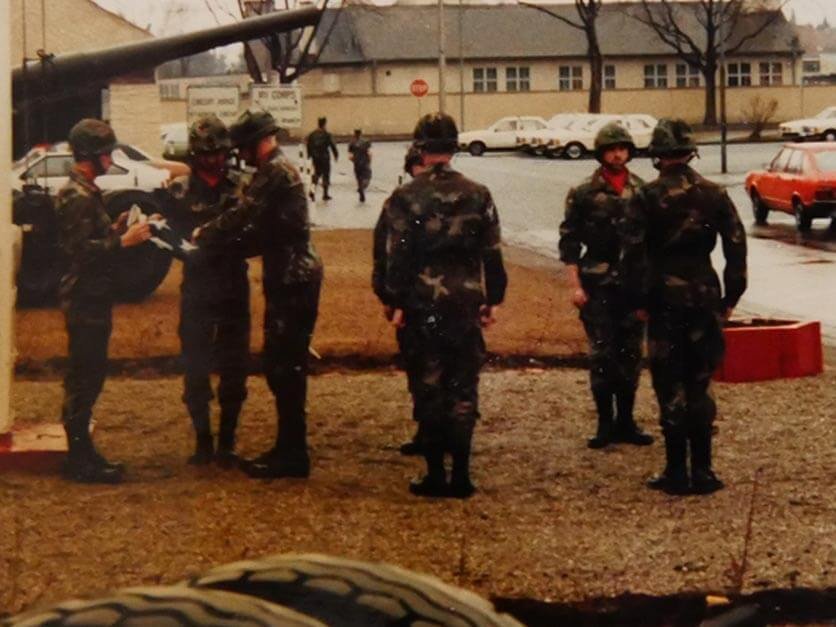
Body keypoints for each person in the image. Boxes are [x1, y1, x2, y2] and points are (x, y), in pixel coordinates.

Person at [382, 113, 507, 498]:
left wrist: (396, 300)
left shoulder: (405, 197)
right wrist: (494, 299)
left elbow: (397, 256)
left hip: (423, 302)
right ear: (454, 148)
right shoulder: (479, 193)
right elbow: (493, 253)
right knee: (464, 386)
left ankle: (436, 475)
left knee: (430, 385)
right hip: (466, 299)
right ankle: (463, 475)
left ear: (421, 147)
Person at [622, 119, 747, 495]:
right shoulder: (714, 193)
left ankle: (677, 470)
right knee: (699, 381)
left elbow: (631, 255)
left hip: (663, 298)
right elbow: (736, 247)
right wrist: (731, 297)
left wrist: (638, 301)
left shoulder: (645, 197)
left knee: (669, 382)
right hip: (705, 294)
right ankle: (704, 470)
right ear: (691, 151)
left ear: (657, 156)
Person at [195, 110, 323, 479]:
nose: (240, 156)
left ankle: (293, 454)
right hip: (290, 274)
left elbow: (242, 215)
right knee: (282, 365)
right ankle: (289, 448)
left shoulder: (274, 173)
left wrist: (205, 234)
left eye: (243, 148)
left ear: (255, 144)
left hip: (292, 277)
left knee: (285, 366)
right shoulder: (275, 170)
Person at [56, 118, 152, 483]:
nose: (111, 159)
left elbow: (89, 241)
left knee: (88, 375)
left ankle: (82, 453)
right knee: (85, 377)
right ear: (90, 156)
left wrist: (116, 228)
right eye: (106, 153)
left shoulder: (85, 192)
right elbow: (80, 252)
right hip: (85, 298)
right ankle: (80, 459)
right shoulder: (76, 195)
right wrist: (123, 242)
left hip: (91, 296)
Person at [558, 122, 654, 450]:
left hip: (633, 287)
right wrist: (575, 286)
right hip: (597, 286)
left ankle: (626, 421)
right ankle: (604, 423)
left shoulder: (643, 190)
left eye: (623, 149)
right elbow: (569, 242)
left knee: (630, 357)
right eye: (612, 149)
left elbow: (652, 244)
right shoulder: (584, 192)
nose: (618, 154)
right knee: (602, 356)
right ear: (600, 153)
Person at [162, 115, 250, 467]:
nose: (213, 160)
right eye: (206, 154)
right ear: (195, 154)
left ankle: (227, 442)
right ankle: (203, 441)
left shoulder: (244, 185)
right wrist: (182, 248)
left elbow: (253, 230)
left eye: (219, 153)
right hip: (197, 285)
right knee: (195, 363)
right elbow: (168, 235)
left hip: (232, 284)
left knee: (235, 364)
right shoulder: (179, 190)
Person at [372, 144, 426, 457]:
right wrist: (387, 295)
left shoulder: (459, 198)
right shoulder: (398, 203)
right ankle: (426, 429)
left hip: (439, 299)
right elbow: (383, 250)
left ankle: (448, 432)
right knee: (417, 367)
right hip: (411, 299)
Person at [306, 116, 338, 201]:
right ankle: (325, 194)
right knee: (326, 175)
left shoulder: (312, 134)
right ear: (324, 124)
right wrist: (336, 155)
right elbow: (332, 145)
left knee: (316, 174)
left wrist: (309, 155)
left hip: (315, 157)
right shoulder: (327, 134)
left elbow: (308, 145)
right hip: (325, 157)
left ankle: (312, 192)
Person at [348, 129, 372, 203]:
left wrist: (354, 161)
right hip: (365, 162)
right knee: (368, 176)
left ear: (354, 134)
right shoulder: (366, 142)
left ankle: (361, 191)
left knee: (359, 178)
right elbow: (369, 153)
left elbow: (350, 156)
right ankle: (363, 187)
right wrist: (369, 161)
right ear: (361, 133)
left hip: (357, 163)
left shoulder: (352, 143)